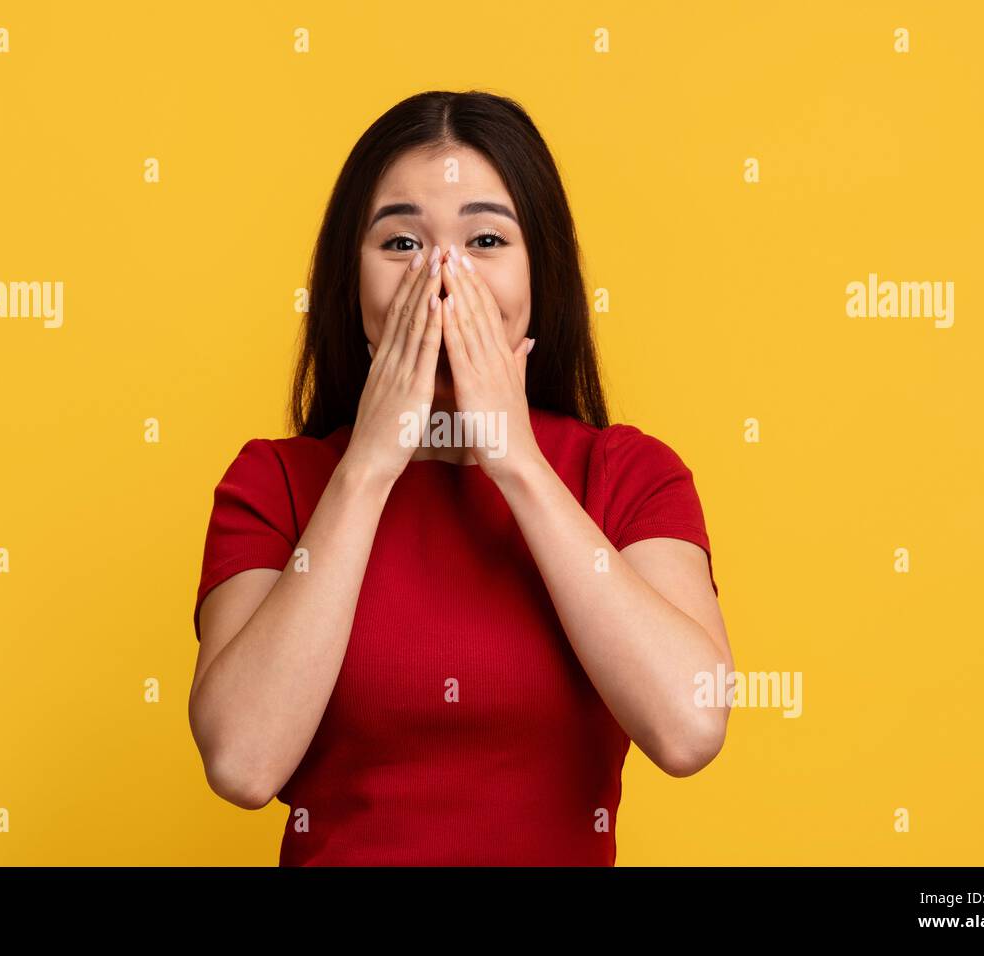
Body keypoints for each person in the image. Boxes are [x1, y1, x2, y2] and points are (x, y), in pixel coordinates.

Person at [188, 90, 733, 866]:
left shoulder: (629, 477)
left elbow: (690, 729)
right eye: (402, 244)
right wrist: (369, 465)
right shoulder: (276, 483)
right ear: (352, 285)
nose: (443, 279)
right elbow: (241, 761)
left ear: (542, 275)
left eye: (484, 239)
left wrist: (515, 459)